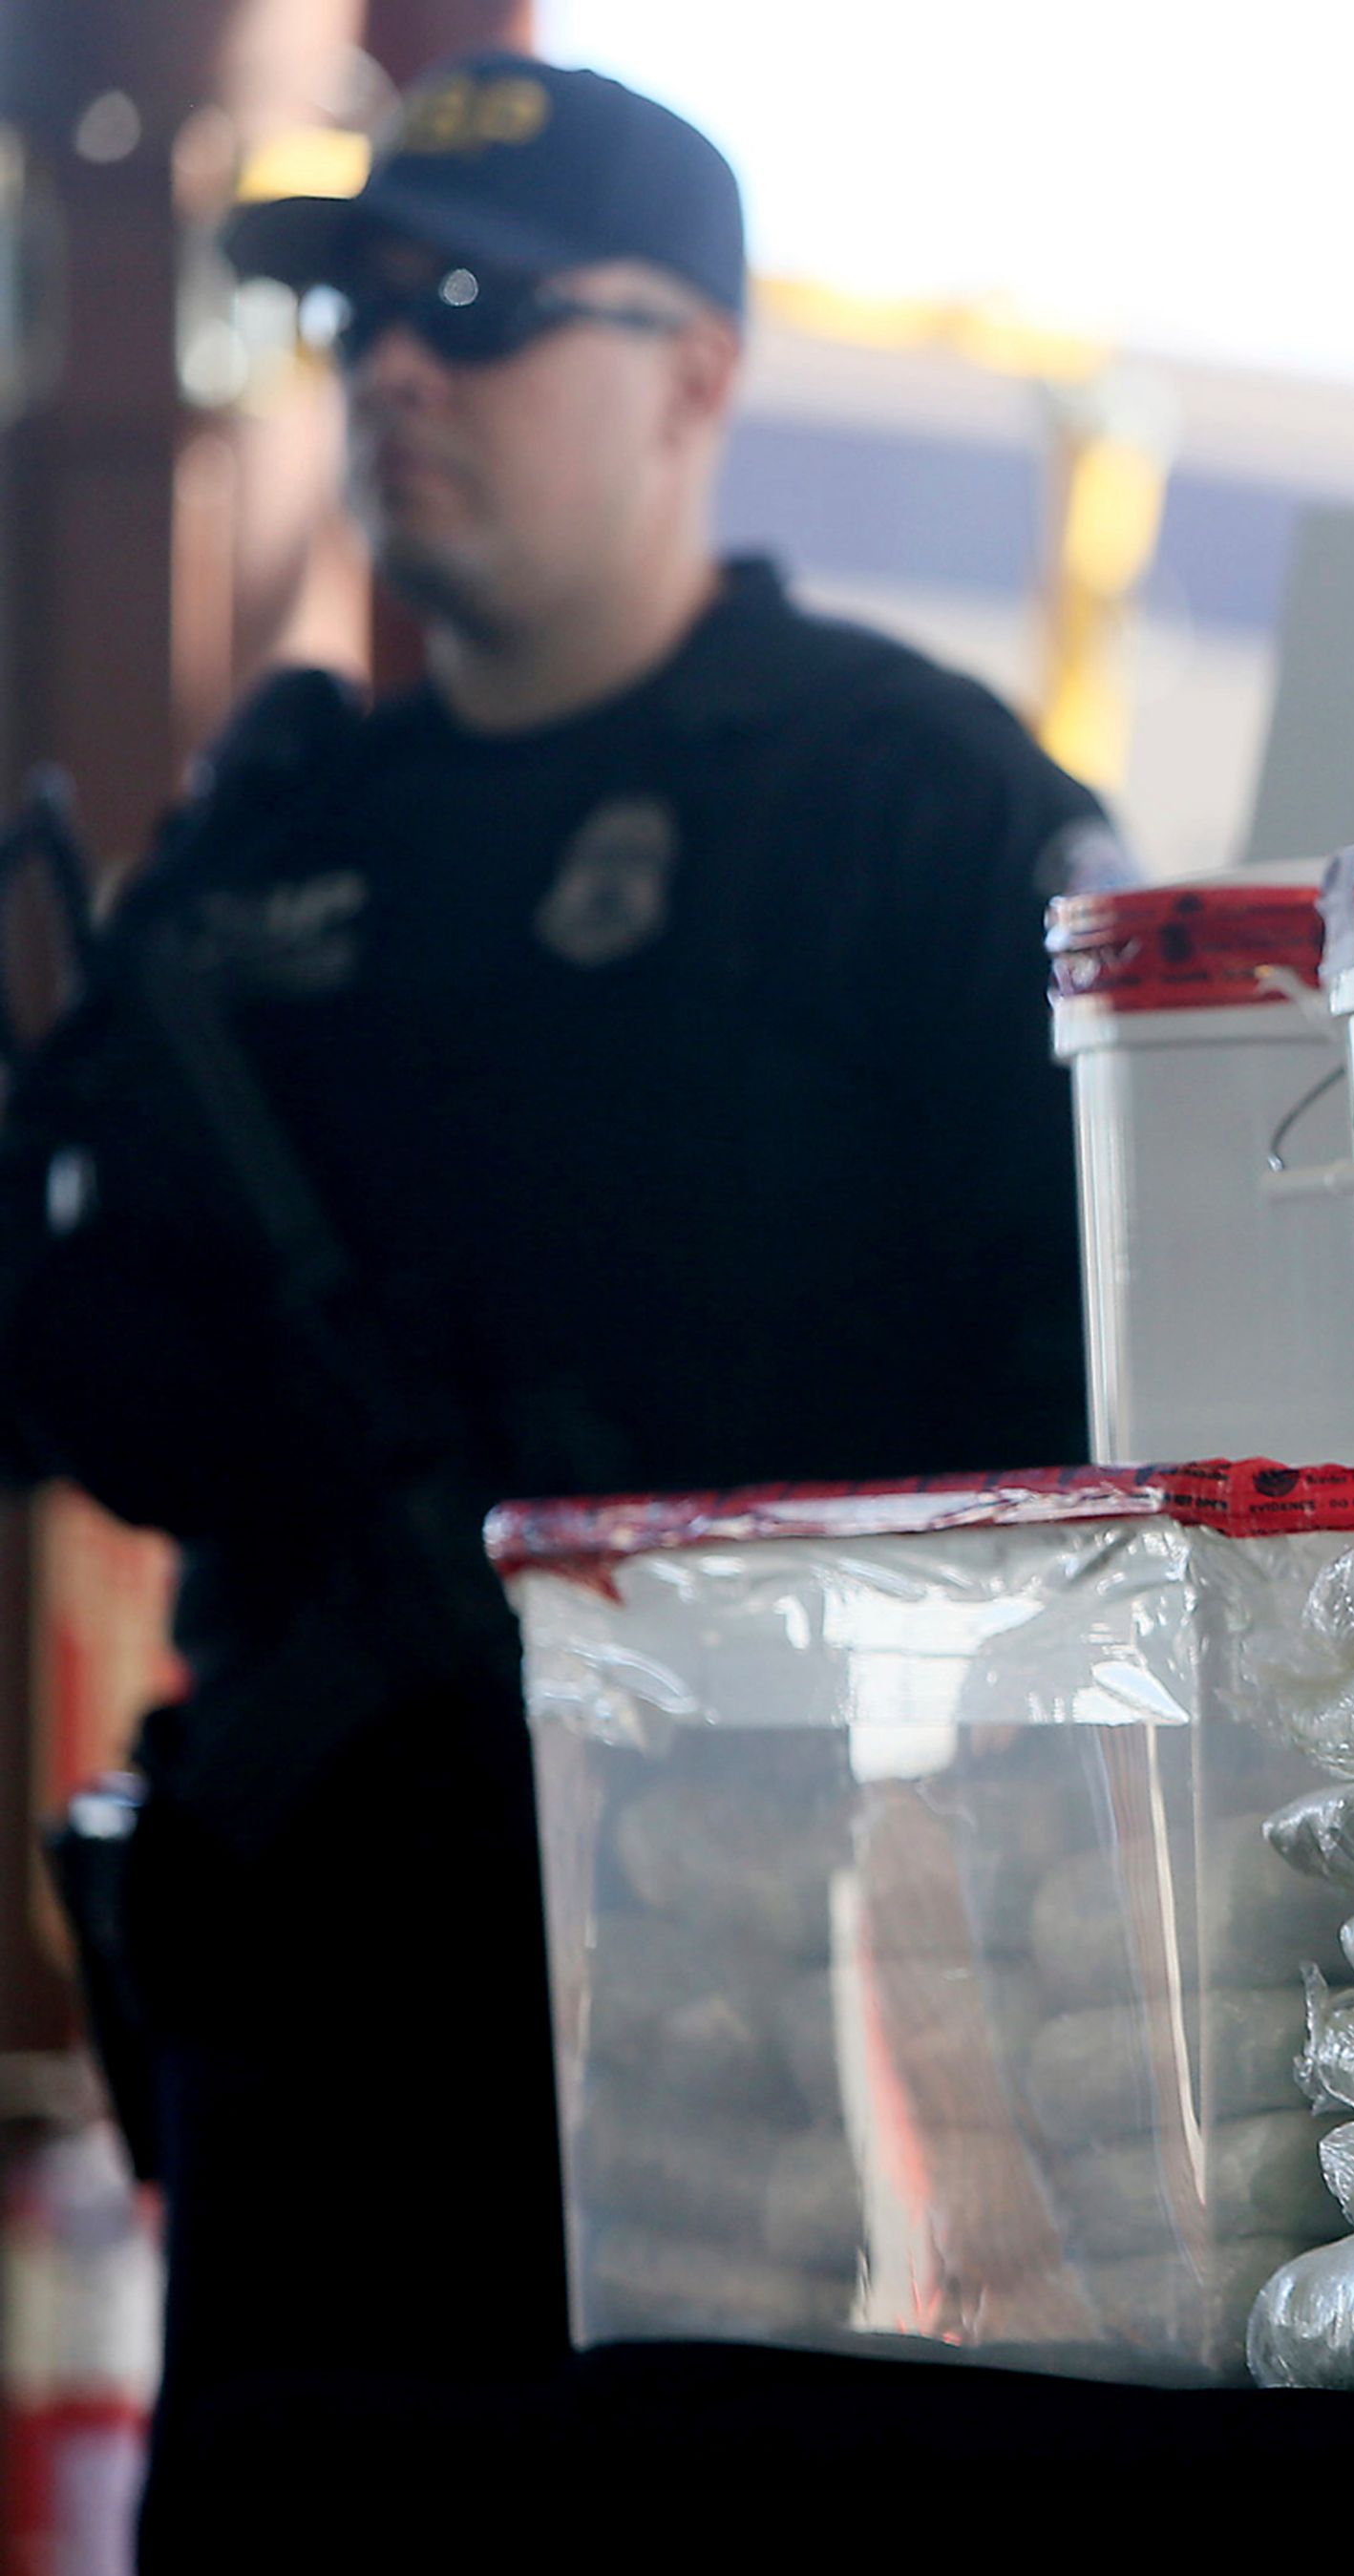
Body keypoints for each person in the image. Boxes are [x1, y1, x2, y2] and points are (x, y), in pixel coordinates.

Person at [0, 50, 1107, 2519]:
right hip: (315, 2053)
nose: (397, 365)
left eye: (483, 311)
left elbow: (1102, 1437)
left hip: (793, 2049)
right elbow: (66, 1372)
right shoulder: (270, 850)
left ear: (696, 373)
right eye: (360, 310)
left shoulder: (901, 814)